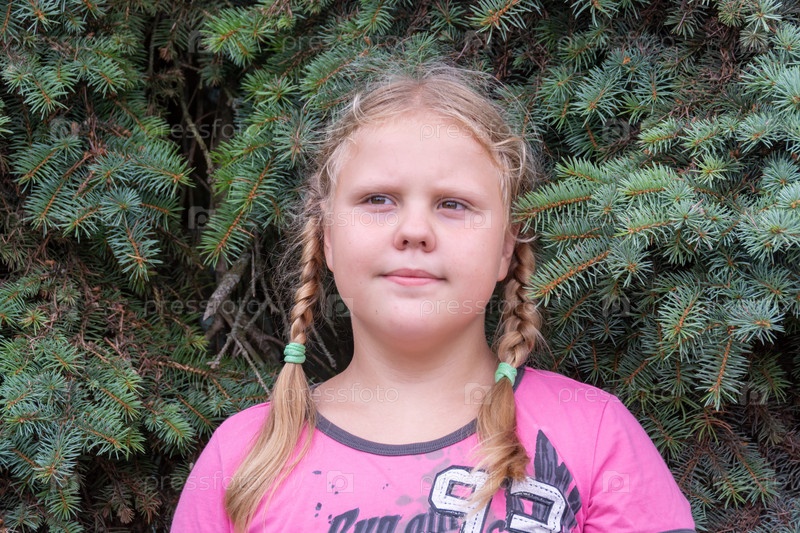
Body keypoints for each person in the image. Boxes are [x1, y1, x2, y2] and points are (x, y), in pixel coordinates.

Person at [171, 64, 696, 533]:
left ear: (506, 248)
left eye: (453, 204)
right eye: (378, 199)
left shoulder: (593, 435)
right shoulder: (243, 457)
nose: (415, 231)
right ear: (327, 237)